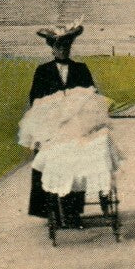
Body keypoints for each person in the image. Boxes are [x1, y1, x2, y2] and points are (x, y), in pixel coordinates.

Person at [27, 24, 94, 220]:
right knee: (49, 161)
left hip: (75, 125)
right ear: (52, 48)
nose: (63, 50)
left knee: (76, 164)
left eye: (66, 46)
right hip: (51, 126)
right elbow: (35, 99)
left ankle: (73, 212)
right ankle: (52, 210)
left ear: (71, 47)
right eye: (59, 46)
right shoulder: (43, 71)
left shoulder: (81, 69)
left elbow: (91, 95)